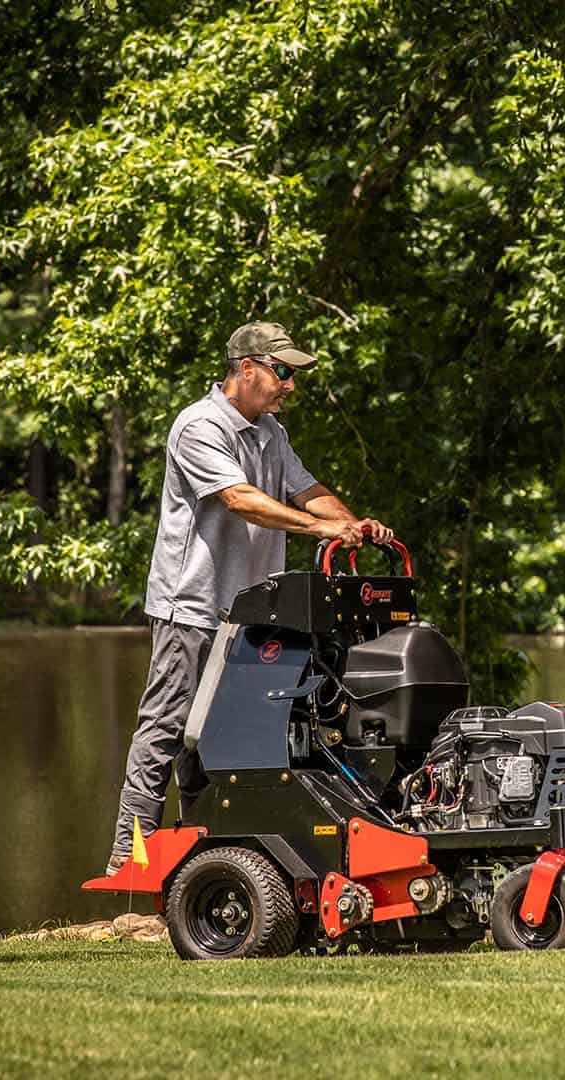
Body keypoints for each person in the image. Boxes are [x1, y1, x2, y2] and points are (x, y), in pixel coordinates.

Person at [103, 320, 392, 875]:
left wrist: (354, 525)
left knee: (221, 743)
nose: (290, 385)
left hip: (252, 617)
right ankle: (128, 866)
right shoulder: (199, 426)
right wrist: (320, 532)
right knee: (166, 730)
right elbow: (241, 499)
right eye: (282, 372)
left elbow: (308, 494)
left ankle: (200, 868)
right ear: (248, 368)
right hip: (193, 607)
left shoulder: (271, 433)